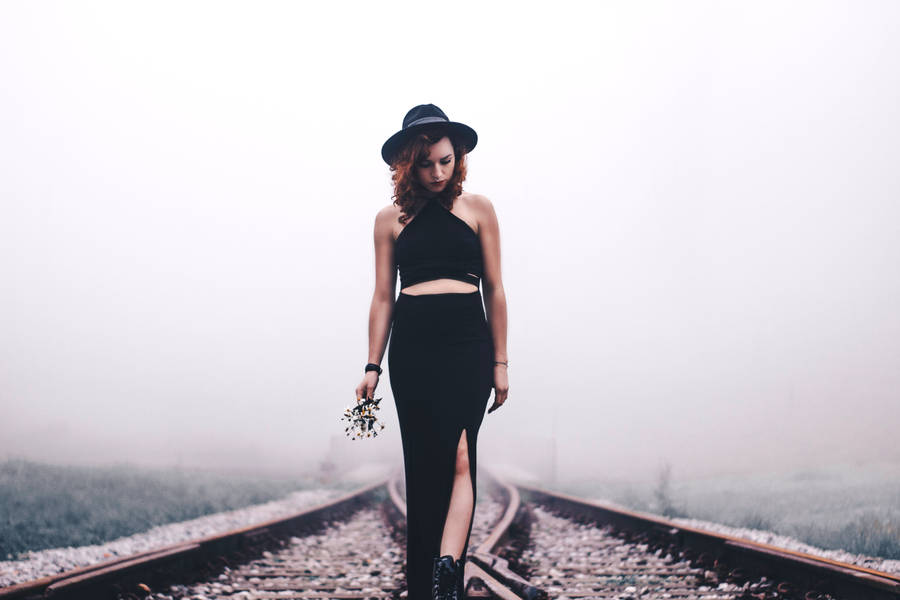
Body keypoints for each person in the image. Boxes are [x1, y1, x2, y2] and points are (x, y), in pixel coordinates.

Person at [355, 104, 509, 600]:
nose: (438, 172)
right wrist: (372, 366)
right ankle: (427, 583)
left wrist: (501, 363)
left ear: (456, 158)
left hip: (468, 342)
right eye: (427, 164)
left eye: (446, 161)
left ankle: (447, 570)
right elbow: (382, 296)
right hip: (414, 348)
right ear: (408, 164)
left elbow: (496, 289)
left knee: (463, 454)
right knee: (424, 468)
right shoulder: (389, 219)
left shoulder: (480, 209)